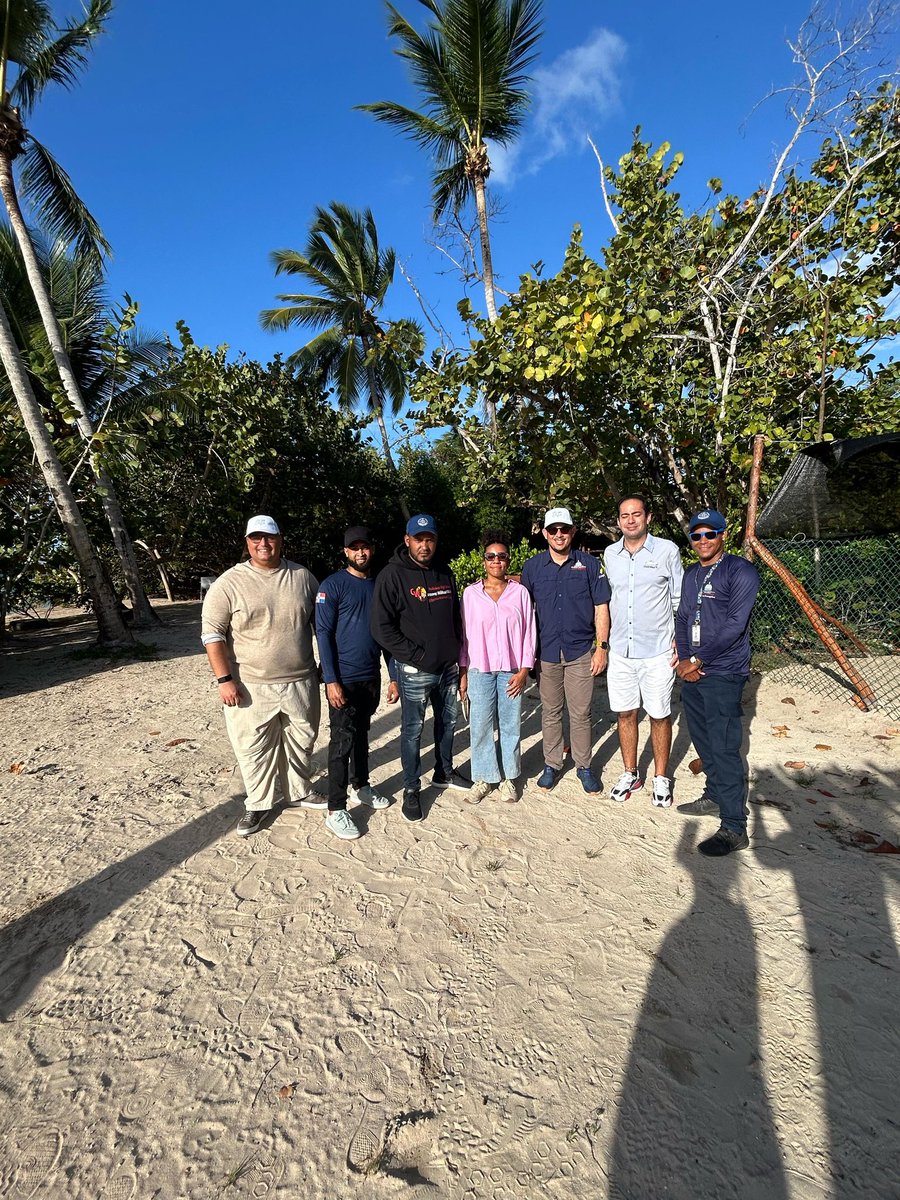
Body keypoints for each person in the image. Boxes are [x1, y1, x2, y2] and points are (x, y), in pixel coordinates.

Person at [201, 515, 322, 837]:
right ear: (247, 543)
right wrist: (224, 679)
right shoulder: (229, 583)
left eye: (269, 538)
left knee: (302, 740)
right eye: (256, 538)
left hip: (301, 679)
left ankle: (299, 791)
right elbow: (212, 634)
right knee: (253, 747)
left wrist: (328, 666)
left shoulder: (302, 577)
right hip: (250, 684)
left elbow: (321, 624)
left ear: (280, 539)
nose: (263, 544)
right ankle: (257, 803)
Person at [674, 508, 760, 856]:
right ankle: (714, 795)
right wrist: (683, 659)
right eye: (697, 535)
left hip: (723, 672)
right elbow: (682, 617)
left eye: (711, 533)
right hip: (692, 671)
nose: (703, 540)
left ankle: (734, 826)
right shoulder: (691, 573)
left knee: (724, 746)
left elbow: (734, 625)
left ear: (724, 535)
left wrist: (697, 660)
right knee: (703, 737)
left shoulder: (740, 571)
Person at [370, 513, 468, 823]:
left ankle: (443, 772)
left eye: (430, 539)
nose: (425, 545)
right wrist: (414, 655)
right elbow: (381, 628)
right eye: (419, 539)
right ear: (407, 540)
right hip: (414, 671)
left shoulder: (444, 572)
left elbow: (455, 617)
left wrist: (455, 653)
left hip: (448, 669)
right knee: (413, 732)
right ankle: (411, 788)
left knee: (447, 724)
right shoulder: (392, 576)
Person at [315, 525, 400, 840]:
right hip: (343, 680)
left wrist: (393, 676)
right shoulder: (332, 586)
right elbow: (323, 634)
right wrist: (331, 680)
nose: (361, 552)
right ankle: (336, 809)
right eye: (355, 548)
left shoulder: (379, 585)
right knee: (341, 743)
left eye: (365, 547)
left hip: (370, 677)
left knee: (362, 735)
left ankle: (361, 786)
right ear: (346, 552)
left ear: (371, 550)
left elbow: (386, 635)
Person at [520, 507, 611, 793]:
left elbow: (601, 607)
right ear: (545, 533)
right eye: (553, 530)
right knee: (551, 711)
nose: (559, 535)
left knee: (582, 712)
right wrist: (527, 655)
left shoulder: (590, 564)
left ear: (572, 531)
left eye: (564, 529)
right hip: (546, 652)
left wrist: (602, 648)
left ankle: (584, 766)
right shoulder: (532, 567)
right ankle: (552, 764)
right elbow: (524, 613)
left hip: (580, 651)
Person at [603, 495, 684, 808]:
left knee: (660, 715)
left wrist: (682, 641)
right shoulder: (610, 555)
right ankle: (630, 772)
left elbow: (678, 599)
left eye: (636, 514)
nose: (631, 520)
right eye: (625, 515)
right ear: (619, 520)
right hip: (621, 651)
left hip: (658, 651)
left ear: (648, 517)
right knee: (625, 714)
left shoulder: (667, 550)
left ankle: (661, 776)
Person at [459, 530, 537, 804]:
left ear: (508, 560)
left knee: (510, 726)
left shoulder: (520, 593)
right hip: (480, 669)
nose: (496, 561)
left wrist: (525, 670)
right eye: (491, 556)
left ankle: (509, 778)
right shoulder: (470, 595)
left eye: (501, 556)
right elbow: (464, 636)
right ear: (483, 561)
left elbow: (530, 632)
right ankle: (483, 777)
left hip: (511, 671)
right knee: (479, 726)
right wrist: (463, 672)